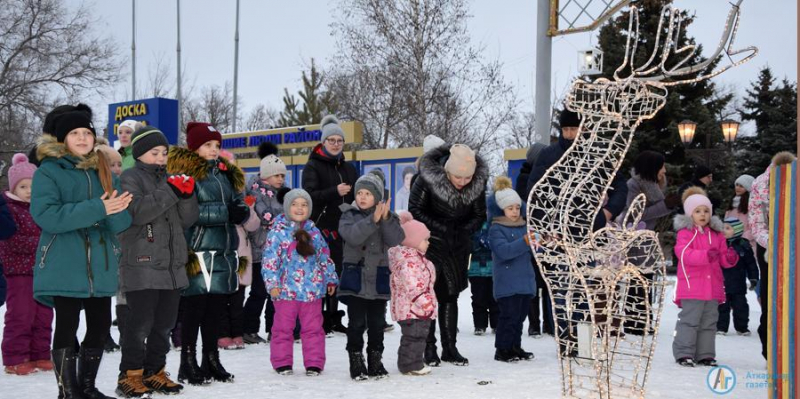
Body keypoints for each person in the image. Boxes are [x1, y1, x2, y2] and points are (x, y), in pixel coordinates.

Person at [31, 107, 132, 399]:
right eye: (75, 133)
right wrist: (98, 209)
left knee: (100, 326)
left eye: (87, 132)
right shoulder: (48, 171)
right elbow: (47, 216)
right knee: (67, 325)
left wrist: (114, 212)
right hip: (65, 261)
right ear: (63, 138)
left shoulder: (101, 168)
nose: (83, 137)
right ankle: (68, 391)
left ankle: (87, 387)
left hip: (100, 261)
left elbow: (121, 221)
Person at [526, 109, 627, 356]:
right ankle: (565, 341)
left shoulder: (598, 154)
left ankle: (582, 342)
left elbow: (620, 187)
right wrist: (545, 229)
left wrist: (608, 213)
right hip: (557, 235)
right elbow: (535, 192)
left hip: (587, 234)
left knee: (584, 287)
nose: (570, 134)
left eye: (574, 129)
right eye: (566, 130)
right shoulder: (549, 155)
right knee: (561, 290)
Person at [116, 127, 198, 397]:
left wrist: (186, 196)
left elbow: (187, 220)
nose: (161, 157)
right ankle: (130, 374)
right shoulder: (130, 178)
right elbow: (137, 213)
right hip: (142, 263)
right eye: (155, 153)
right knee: (139, 324)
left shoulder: (170, 179)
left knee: (164, 323)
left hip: (172, 266)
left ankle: (155, 371)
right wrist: (172, 192)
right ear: (140, 154)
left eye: (164, 152)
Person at [167, 122, 250, 385]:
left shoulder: (227, 174)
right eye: (207, 145)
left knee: (215, 308)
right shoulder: (185, 174)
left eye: (217, 145)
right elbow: (187, 212)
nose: (214, 150)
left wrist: (242, 211)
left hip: (223, 248)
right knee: (194, 307)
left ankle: (211, 358)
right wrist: (226, 213)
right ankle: (187, 362)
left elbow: (239, 203)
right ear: (194, 147)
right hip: (197, 248)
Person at [409, 143, 488, 367]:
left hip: (457, 246)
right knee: (429, 297)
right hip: (429, 244)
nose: (463, 182)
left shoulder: (477, 184)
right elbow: (415, 210)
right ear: (447, 170)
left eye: (467, 178)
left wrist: (463, 230)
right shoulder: (427, 179)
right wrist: (442, 227)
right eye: (458, 177)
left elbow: (480, 215)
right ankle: (429, 348)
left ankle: (450, 348)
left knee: (450, 296)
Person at [262, 189, 339, 376]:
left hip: (311, 291)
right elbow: (270, 260)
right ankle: (282, 362)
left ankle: (314, 362)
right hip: (285, 291)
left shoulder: (314, 232)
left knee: (313, 329)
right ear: (288, 207)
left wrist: (330, 278)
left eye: (304, 205)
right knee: (282, 328)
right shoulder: (278, 232)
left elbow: (324, 257)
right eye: (295, 204)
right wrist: (272, 285)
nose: (299, 208)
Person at [338, 170, 405, 380]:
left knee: (377, 324)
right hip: (356, 278)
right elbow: (352, 236)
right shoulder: (348, 214)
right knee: (356, 323)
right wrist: (372, 220)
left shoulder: (388, 216)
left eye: (368, 193)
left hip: (378, 279)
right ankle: (356, 360)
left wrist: (384, 218)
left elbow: (396, 239)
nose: (363, 197)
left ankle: (376, 360)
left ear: (377, 196)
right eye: (360, 193)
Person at [302, 115, 359, 335]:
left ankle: (335, 317)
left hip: (345, 226)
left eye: (339, 141)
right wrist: (334, 191)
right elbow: (308, 196)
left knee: (338, 271)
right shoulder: (313, 166)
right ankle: (321, 319)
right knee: (322, 273)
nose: (336, 144)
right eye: (331, 140)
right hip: (321, 226)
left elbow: (357, 192)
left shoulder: (348, 167)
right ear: (323, 142)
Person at [672, 187, 738, 367]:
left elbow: (723, 258)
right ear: (689, 214)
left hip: (713, 288)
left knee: (709, 323)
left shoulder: (717, 235)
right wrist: (705, 255)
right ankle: (684, 352)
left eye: (706, 211)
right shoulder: (685, 233)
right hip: (692, 287)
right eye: (698, 211)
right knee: (689, 321)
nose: (703, 215)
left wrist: (730, 257)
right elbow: (684, 253)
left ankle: (705, 354)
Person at [0, 154, 53, 375]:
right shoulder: (10, 209)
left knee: (44, 314)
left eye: (33, 186)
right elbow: (12, 240)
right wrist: (43, 243)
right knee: (21, 314)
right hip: (19, 271)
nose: (29, 191)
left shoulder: (42, 210)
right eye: (23, 186)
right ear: (14, 188)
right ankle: (15, 357)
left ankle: (40, 353)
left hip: (43, 271)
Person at [749, 151, 797, 360]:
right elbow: (756, 221)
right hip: (771, 247)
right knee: (773, 297)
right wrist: (775, 243)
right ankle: (771, 347)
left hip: (795, 245)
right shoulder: (761, 183)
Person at [619, 150, 671, 335]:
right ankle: (634, 322)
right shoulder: (634, 185)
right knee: (637, 280)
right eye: (661, 166)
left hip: (647, 239)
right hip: (635, 238)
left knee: (645, 280)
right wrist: (665, 207)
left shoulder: (655, 184)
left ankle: (642, 320)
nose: (664, 170)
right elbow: (635, 213)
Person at [243, 143, 289, 344]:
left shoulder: (283, 194)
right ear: (265, 176)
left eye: (282, 176)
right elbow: (264, 215)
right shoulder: (256, 192)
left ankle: (274, 328)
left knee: (276, 294)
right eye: (277, 175)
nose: (280, 179)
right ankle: (249, 328)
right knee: (259, 291)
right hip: (261, 250)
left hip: (279, 251)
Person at [488, 177, 536, 363]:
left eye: (517, 208)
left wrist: (542, 240)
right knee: (508, 317)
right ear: (502, 209)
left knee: (519, 318)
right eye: (510, 208)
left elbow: (534, 250)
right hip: (507, 283)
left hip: (525, 280)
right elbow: (504, 251)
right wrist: (525, 241)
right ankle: (502, 349)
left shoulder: (525, 226)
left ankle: (515, 346)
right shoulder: (496, 229)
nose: (515, 212)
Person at [217, 150, 260, 351]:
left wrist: (246, 212)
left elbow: (253, 225)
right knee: (220, 297)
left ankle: (237, 332)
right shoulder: (213, 192)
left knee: (237, 297)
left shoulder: (242, 194)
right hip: (220, 250)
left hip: (241, 252)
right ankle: (223, 333)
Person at [388, 211, 436, 376]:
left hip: (414, 307)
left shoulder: (417, 259)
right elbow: (413, 286)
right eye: (425, 240)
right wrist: (425, 302)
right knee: (414, 336)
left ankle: (411, 362)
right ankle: (410, 365)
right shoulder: (409, 262)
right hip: (412, 308)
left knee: (416, 336)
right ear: (413, 241)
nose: (428, 243)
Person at [515, 143, 552, 338]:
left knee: (547, 281)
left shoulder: (548, 175)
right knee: (534, 281)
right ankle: (534, 324)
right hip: (533, 233)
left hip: (547, 234)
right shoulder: (525, 179)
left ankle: (548, 322)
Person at [717, 218, 759, 336]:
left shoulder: (743, 245)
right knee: (722, 307)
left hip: (738, 284)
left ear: (736, 231)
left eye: (727, 228)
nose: (723, 230)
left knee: (741, 307)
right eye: (722, 228)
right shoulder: (719, 244)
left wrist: (753, 278)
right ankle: (721, 327)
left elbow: (751, 264)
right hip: (722, 283)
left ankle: (742, 328)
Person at [468, 217, 498, 336]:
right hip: (476, 269)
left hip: (494, 268)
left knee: (495, 298)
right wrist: (477, 241)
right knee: (478, 298)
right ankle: (479, 325)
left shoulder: (496, 223)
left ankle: (496, 324)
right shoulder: (472, 224)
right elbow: (467, 244)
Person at [724, 174, 756, 251]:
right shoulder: (731, 205)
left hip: (747, 246)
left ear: (748, 189)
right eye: (737, 185)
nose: (737, 188)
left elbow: (755, 227)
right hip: (731, 245)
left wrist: (744, 238)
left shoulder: (752, 206)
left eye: (741, 186)